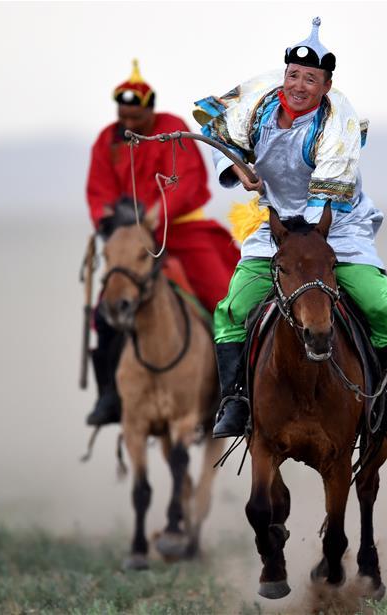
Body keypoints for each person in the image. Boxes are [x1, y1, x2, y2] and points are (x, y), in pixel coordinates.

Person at [194, 18, 387, 438]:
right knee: (231, 310)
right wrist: (238, 170)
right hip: (274, 223)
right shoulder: (259, 102)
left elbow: (323, 199)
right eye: (293, 75)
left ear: (325, 86)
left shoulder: (338, 122)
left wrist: (295, 241)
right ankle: (235, 401)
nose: (299, 85)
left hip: (336, 226)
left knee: (380, 305)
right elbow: (222, 139)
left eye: (310, 79)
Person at [84, 60, 240, 426]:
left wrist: (157, 213)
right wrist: (112, 221)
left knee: (223, 297)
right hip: (130, 239)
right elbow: (99, 190)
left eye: (136, 117)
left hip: (181, 231)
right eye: (124, 116)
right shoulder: (107, 140)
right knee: (106, 312)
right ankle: (109, 394)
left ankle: (235, 391)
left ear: (150, 110)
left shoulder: (172, 129)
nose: (130, 124)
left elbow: (187, 180)